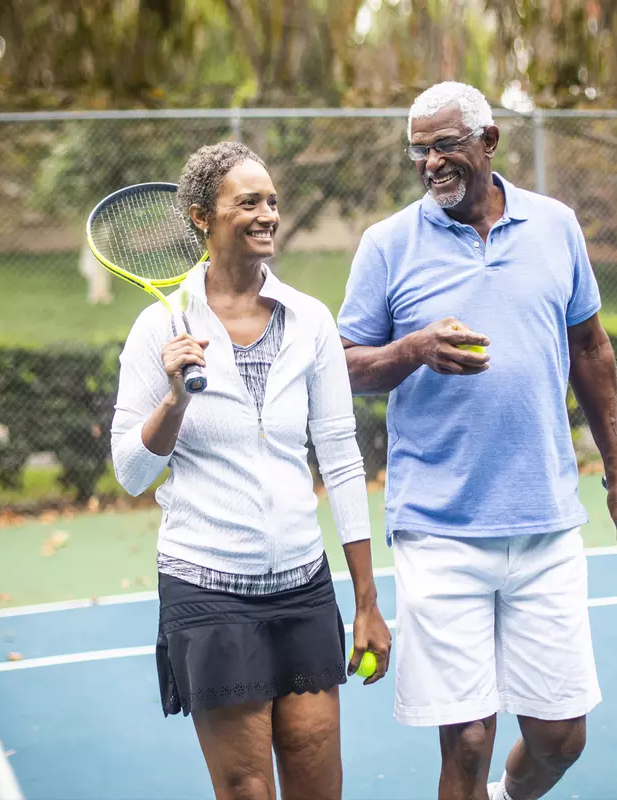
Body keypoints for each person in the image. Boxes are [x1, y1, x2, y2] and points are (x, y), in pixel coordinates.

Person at [337, 82, 617, 800]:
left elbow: (591, 348)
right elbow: (345, 366)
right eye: (418, 149)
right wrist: (413, 349)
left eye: (445, 144)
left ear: (489, 142)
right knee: (469, 739)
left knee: (559, 737)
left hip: (544, 521)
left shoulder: (555, 226)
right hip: (438, 527)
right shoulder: (386, 245)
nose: (430, 162)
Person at [111, 141, 391, 800]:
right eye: (249, 202)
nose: (267, 214)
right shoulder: (159, 329)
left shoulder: (310, 321)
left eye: (271, 201)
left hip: (302, 586)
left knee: (321, 788)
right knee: (246, 791)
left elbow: (343, 459)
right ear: (202, 216)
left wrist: (368, 601)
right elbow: (130, 470)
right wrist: (175, 398)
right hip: (207, 589)